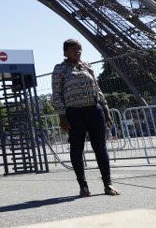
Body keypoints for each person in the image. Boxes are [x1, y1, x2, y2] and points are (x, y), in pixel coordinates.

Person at [52, 39, 121, 198]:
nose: (77, 51)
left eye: (79, 49)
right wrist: (62, 115)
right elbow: (57, 93)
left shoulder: (87, 66)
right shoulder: (60, 69)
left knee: (101, 149)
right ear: (65, 52)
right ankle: (83, 186)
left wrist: (105, 109)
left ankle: (107, 184)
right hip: (74, 113)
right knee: (77, 150)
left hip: (94, 110)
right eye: (73, 49)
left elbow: (97, 89)